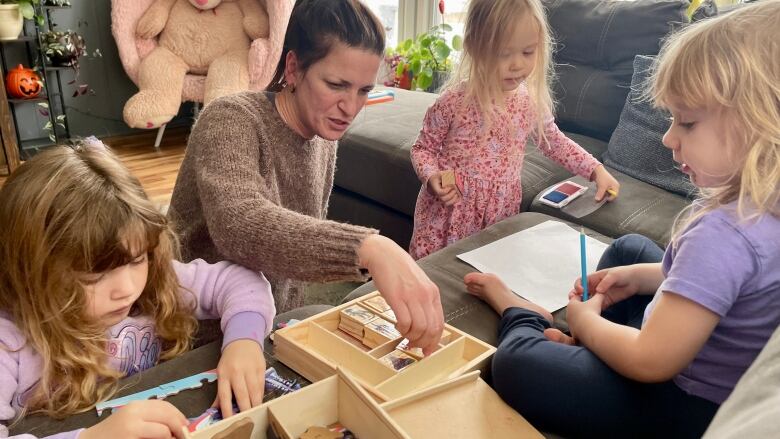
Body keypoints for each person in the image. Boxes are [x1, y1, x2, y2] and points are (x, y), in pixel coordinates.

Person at [464, 2, 780, 437]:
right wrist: (639, 277)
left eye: (686, 122)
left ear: (763, 125)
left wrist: (584, 322)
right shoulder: (761, 210)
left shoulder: (723, 233)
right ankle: (591, 346)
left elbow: (650, 360)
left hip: (678, 403)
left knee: (515, 365)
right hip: (693, 352)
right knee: (631, 250)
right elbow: (718, 286)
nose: (668, 137)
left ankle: (526, 316)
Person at [169, 0, 443, 354]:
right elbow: (237, 222)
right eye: (336, 84)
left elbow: (292, 252)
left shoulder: (322, 139)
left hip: (271, 322)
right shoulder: (229, 120)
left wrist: (290, 320)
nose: (350, 107)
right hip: (197, 330)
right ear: (294, 68)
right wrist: (369, 248)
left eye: (364, 90)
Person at [0, 141, 276, 438]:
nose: (127, 289)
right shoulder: (8, 340)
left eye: (137, 259)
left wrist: (244, 342)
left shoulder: (155, 283)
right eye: (94, 275)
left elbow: (238, 281)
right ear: (31, 272)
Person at [408, 0, 620, 260]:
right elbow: (423, 148)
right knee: (434, 275)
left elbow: (553, 141)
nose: (516, 65)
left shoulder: (529, 103)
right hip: (448, 212)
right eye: (503, 54)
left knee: (484, 272)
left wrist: (595, 170)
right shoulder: (453, 102)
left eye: (527, 52)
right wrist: (431, 176)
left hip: (500, 211)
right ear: (475, 48)